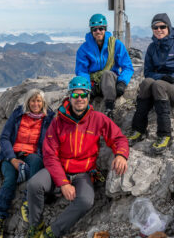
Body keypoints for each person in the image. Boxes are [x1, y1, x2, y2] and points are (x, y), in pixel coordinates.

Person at [24, 76, 129, 238]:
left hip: (84, 173)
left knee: (86, 201)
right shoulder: (58, 122)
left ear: (89, 97)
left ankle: (52, 232)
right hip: (60, 170)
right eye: (75, 95)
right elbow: (50, 155)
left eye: (83, 95)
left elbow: (118, 138)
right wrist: (64, 183)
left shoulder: (97, 119)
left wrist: (121, 154)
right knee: (34, 185)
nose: (79, 99)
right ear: (69, 96)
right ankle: (36, 226)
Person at [128, 13, 174, 152]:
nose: (158, 29)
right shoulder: (152, 48)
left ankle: (164, 135)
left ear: (168, 27)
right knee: (147, 82)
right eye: (155, 27)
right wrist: (161, 76)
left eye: (162, 26)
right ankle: (138, 130)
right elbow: (148, 73)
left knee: (158, 84)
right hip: (160, 91)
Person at [0, 89, 55, 238]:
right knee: (10, 180)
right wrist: (12, 159)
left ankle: (27, 202)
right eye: (33, 101)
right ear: (27, 102)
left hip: (32, 154)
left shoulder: (48, 118)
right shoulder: (18, 115)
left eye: (39, 101)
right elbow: (4, 138)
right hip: (11, 155)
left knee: (37, 161)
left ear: (43, 103)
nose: (36, 104)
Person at [75, 13, 134, 118]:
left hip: (111, 82)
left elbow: (128, 67)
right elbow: (82, 70)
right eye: (95, 29)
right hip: (94, 84)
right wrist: (87, 86)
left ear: (105, 29)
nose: (98, 31)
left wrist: (122, 82)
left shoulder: (116, 44)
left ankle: (109, 108)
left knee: (107, 74)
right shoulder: (84, 49)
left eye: (101, 28)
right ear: (91, 31)